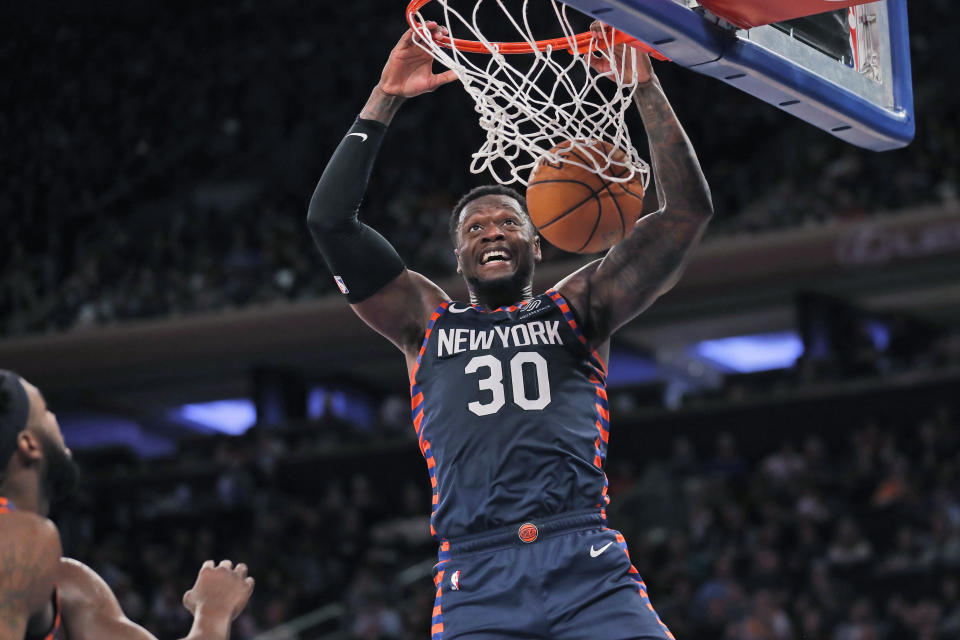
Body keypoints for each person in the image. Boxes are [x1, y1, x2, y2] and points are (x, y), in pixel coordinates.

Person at [306, 20, 712, 639]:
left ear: (538, 245)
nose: (492, 231)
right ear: (458, 256)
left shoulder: (582, 305)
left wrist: (645, 89)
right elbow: (331, 222)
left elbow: (685, 213)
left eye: (508, 223)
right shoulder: (424, 319)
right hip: (476, 573)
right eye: (474, 228)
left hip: (586, 561)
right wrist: (384, 97)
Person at [0, 369, 255, 640]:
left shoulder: (68, 582)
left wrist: (211, 612)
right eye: (46, 412)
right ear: (29, 445)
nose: (57, 420)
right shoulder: (21, 537)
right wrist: (214, 612)